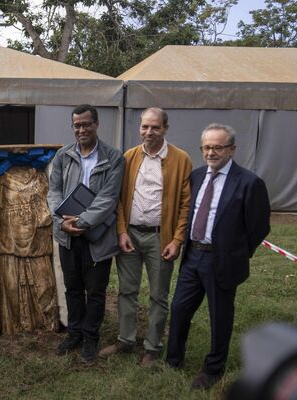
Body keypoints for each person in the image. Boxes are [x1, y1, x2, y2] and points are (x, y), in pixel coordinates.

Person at [165, 123, 271, 389]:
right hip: (193, 257)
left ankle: (213, 368)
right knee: (179, 309)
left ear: (232, 149)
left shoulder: (249, 183)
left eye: (218, 147)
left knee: (220, 316)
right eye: (207, 147)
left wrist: (237, 253)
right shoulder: (197, 176)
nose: (211, 152)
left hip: (222, 261)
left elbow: (259, 226)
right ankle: (173, 359)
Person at [98, 108, 191, 366]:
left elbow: (185, 204)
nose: (149, 132)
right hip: (131, 235)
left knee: (159, 295)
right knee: (126, 291)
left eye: (155, 127)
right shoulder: (128, 157)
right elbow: (117, 198)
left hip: (161, 239)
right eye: (145, 127)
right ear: (139, 128)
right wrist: (121, 231)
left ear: (165, 129)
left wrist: (177, 239)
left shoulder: (181, 159)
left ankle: (152, 346)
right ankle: (126, 340)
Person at [47, 104, 124, 363]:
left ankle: (91, 337)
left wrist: (82, 222)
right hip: (67, 235)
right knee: (73, 287)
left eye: (86, 124)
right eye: (77, 125)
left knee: (96, 290)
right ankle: (75, 332)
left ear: (96, 124)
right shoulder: (63, 156)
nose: (81, 129)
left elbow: (108, 198)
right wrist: (61, 220)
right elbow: (53, 191)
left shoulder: (114, 157)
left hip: (97, 236)